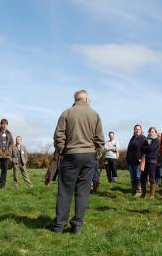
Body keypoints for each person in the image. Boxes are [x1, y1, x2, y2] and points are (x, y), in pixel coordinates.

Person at [50, 90, 104, 234]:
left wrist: (62, 150)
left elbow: (58, 135)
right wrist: (96, 155)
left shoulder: (67, 113)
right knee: (83, 191)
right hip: (89, 156)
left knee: (65, 191)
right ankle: (77, 225)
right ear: (86, 98)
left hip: (71, 155)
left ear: (75, 99)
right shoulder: (95, 114)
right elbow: (100, 140)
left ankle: (59, 226)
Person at [126, 124, 146, 197]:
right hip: (131, 161)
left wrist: (142, 158)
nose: (137, 130)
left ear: (141, 130)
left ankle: (139, 191)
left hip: (138, 161)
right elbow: (129, 148)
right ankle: (133, 190)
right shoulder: (132, 138)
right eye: (136, 129)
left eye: (138, 129)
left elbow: (146, 150)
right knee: (132, 176)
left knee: (138, 176)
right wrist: (127, 158)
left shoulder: (143, 138)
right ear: (134, 130)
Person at [140, 127, 160, 199]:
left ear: (155, 132)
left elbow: (151, 148)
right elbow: (141, 148)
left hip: (152, 161)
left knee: (152, 178)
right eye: (150, 131)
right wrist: (147, 148)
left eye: (153, 131)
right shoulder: (145, 140)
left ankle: (151, 195)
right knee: (142, 178)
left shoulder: (156, 140)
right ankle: (143, 194)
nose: (151, 133)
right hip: (145, 161)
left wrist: (146, 148)